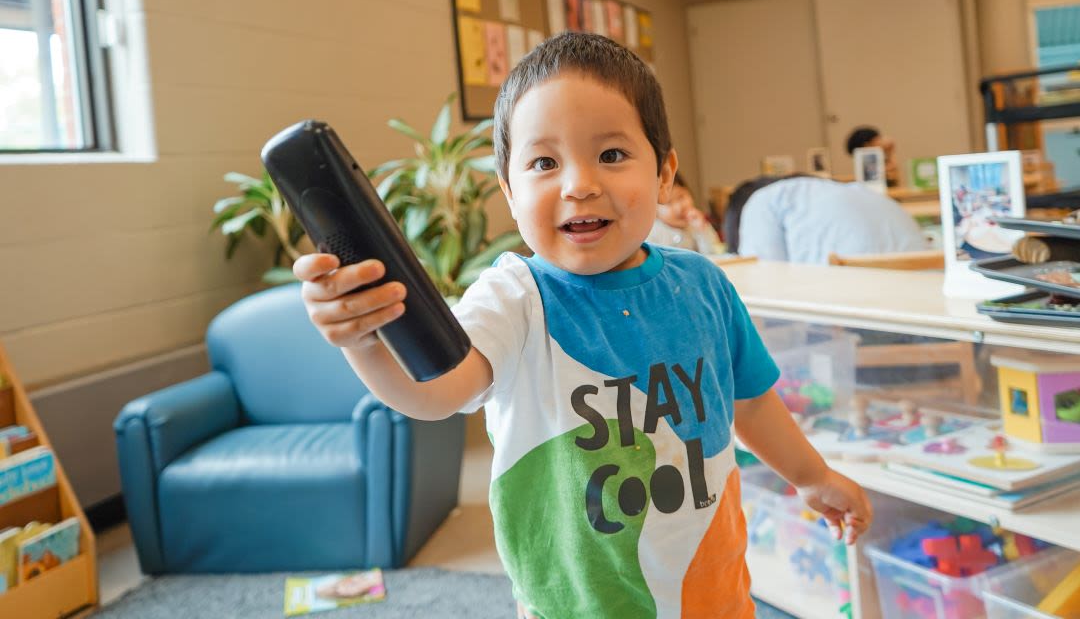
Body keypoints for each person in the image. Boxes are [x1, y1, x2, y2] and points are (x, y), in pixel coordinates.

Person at [293, 33, 872, 619]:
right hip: (575, 605)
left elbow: (748, 402)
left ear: (665, 172)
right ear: (510, 191)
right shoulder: (514, 297)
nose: (579, 184)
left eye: (612, 155)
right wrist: (363, 342)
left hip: (710, 590)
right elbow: (434, 393)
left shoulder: (704, 284)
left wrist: (812, 475)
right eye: (544, 162)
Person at [725, 175, 928, 264]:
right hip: (932, 317)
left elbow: (764, 281)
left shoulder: (763, 200)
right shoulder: (857, 191)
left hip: (860, 327)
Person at [646, 171, 723, 254]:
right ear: (655, 211)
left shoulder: (698, 225)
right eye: (668, 203)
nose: (679, 207)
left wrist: (702, 230)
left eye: (681, 197)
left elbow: (714, 255)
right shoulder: (652, 232)